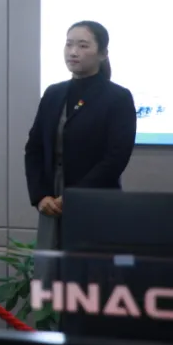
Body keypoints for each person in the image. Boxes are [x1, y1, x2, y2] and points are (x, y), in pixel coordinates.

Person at [25, 20, 136, 255]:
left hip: (95, 202)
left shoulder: (117, 97)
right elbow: (34, 149)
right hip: (52, 202)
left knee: (90, 271)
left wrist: (73, 197)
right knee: (50, 270)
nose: (73, 52)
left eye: (83, 46)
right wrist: (40, 195)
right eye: (69, 44)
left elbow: (115, 158)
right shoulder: (53, 93)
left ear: (103, 54)